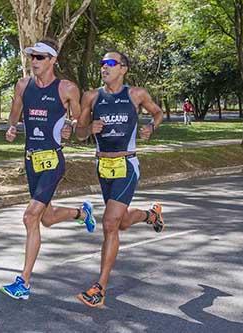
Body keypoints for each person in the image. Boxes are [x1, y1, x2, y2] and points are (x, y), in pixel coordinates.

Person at [0, 39, 97, 300]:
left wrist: (72, 128)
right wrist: (12, 128)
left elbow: (81, 129)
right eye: (32, 56)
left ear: (53, 60)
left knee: (30, 217)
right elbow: (14, 114)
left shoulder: (66, 88)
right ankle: (81, 212)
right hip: (31, 159)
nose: (34, 61)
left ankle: (24, 282)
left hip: (53, 160)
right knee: (47, 217)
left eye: (40, 57)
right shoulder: (23, 85)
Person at [74, 51, 165, 308]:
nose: (104, 67)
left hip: (127, 164)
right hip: (103, 165)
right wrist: (87, 129)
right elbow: (80, 134)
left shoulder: (136, 94)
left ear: (123, 69)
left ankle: (100, 288)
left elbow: (157, 113)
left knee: (110, 222)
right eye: (102, 63)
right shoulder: (91, 97)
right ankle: (151, 215)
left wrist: (151, 127)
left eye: (110, 63)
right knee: (121, 222)